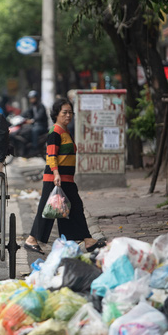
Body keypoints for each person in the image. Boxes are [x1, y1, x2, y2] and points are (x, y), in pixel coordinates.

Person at [23, 98, 105, 254]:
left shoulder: (65, 131)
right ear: (56, 114)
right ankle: (32, 239)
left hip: (66, 178)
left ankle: (84, 240)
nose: (68, 116)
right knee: (49, 210)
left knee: (71, 209)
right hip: (56, 179)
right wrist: (55, 174)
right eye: (64, 112)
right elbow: (51, 155)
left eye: (70, 112)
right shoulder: (55, 131)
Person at [22, 90, 49, 155]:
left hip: (42, 126)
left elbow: (39, 116)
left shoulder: (41, 106)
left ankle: (35, 148)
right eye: (30, 98)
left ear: (36, 98)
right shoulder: (32, 107)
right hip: (35, 125)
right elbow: (25, 113)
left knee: (34, 130)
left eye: (33, 98)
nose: (31, 100)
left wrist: (32, 120)